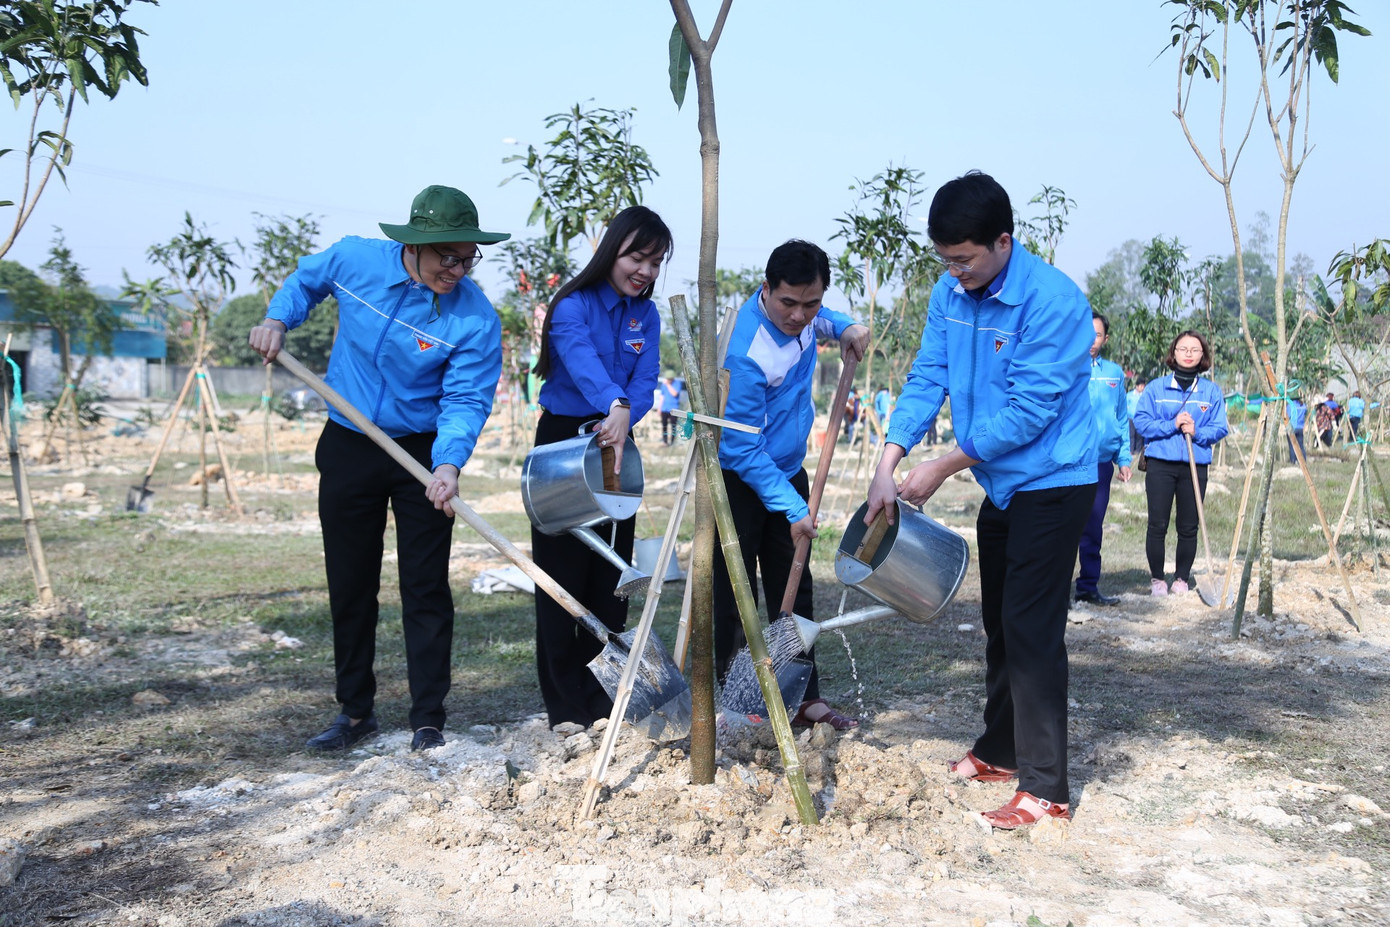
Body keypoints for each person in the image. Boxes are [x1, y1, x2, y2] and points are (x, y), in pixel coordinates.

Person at [866, 171, 1096, 829]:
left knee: (1032, 629)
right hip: (1002, 480)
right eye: (945, 259)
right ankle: (1000, 748)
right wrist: (891, 459)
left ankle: (1047, 790)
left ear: (1003, 240)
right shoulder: (951, 292)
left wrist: (942, 464)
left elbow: (1030, 411)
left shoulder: (1053, 303)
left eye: (964, 259)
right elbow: (928, 374)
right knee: (1001, 618)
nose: (954, 272)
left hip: (1054, 480)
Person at [247, 184, 508, 752]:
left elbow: (466, 399)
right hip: (349, 440)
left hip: (422, 452)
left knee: (425, 586)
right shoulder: (355, 260)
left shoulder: (475, 318)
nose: (460, 270)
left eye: (469, 258)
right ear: (415, 244)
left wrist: (448, 464)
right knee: (351, 582)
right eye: (449, 257)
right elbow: (304, 282)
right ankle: (355, 713)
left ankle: (427, 718)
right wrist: (277, 319)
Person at [713, 239, 869, 730]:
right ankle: (734, 705)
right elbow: (738, 449)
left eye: (811, 304)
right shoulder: (746, 350)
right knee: (735, 594)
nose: (800, 316)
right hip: (738, 483)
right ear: (766, 290)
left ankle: (804, 698)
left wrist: (848, 325)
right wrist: (791, 506)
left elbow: (824, 320)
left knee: (795, 588)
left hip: (786, 470)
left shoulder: (806, 316)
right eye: (789, 303)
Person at [530, 206, 671, 730]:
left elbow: (647, 375)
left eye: (656, 262)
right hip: (565, 443)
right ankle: (565, 707)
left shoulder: (646, 316)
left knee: (611, 575)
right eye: (638, 256)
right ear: (611, 250)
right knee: (561, 577)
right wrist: (612, 405)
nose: (646, 271)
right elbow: (583, 362)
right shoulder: (570, 305)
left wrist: (624, 413)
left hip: (618, 443)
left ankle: (606, 698)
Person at [1132, 331, 1229, 597]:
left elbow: (1220, 428)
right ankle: (1157, 579)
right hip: (1161, 464)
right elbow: (1142, 422)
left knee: (1188, 525)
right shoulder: (1156, 388)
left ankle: (1181, 579)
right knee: (1157, 524)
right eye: (1182, 348)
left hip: (1195, 465)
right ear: (1173, 353)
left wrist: (1197, 431)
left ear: (1203, 356)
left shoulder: (1211, 392)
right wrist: (1171, 425)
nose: (1188, 353)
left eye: (1194, 349)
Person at [1074, 310, 1132, 607]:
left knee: (1093, 525)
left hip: (1101, 462)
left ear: (1105, 339)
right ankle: (1057, 590)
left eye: (1096, 334)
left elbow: (1121, 418)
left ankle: (1088, 586)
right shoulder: (1066, 367)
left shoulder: (1114, 373)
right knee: (1065, 526)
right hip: (1068, 461)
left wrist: (1123, 458)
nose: (1091, 339)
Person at [659, 374, 682, 445]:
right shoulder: (663, 385)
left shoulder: (677, 383)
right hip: (664, 408)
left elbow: (674, 394)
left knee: (673, 427)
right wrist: (659, 408)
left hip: (674, 409)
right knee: (664, 426)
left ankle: (672, 442)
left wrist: (668, 385)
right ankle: (665, 441)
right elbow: (662, 396)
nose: (668, 380)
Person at [1127, 379, 1146, 458]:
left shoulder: (1144, 396)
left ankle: (1138, 451)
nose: (1142, 388)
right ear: (1137, 386)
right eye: (1141, 386)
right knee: (1131, 435)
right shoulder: (1130, 395)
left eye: (1143, 386)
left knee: (1139, 435)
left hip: (1140, 418)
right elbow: (1125, 405)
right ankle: (1131, 450)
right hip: (1131, 418)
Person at [1288, 395, 1307, 463]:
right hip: (1300, 428)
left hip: (1292, 427)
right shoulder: (1303, 405)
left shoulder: (1290, 405)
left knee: (1292, 445)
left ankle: (1293, 461)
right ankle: (1303, 460)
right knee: (1301, 445)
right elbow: (1305, 413)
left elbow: (1287, 415)